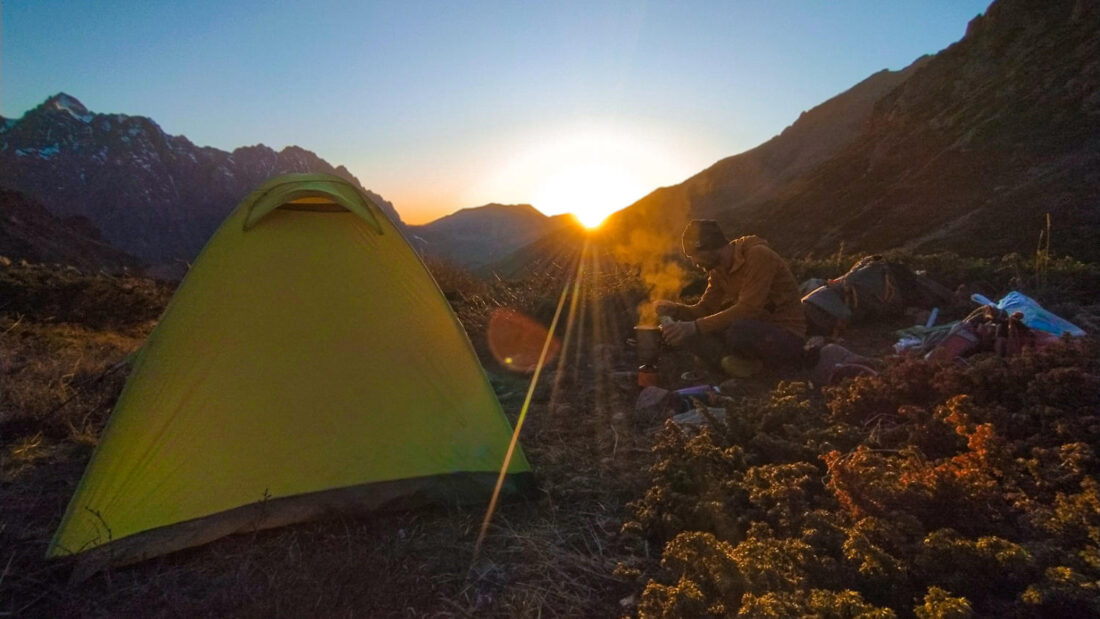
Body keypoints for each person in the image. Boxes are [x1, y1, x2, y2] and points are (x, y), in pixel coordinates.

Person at [656, 219, 806, 377]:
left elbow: (749, 309)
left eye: (694, 255)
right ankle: (736, 364)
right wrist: (676, 310)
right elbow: (705, 309)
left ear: (708, 246)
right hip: (755, 330)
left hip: (786, 335)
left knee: (738, 330)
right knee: (701, 331)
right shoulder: (718, 270)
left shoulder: (758, 255)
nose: (693, 262)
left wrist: (694, 326)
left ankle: (765, 368)